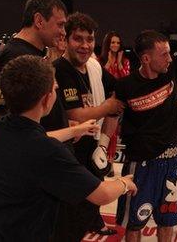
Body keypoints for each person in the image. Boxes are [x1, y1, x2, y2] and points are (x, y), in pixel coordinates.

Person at [0, 55, 137, 242]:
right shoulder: (47, 151)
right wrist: (124, 183)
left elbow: (36, 139)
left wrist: (73, 130)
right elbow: (102, 194)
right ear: (46, 100)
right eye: (54, 90)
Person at [51, 12, 124, 241]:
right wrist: (109, 106)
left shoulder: (93, 67)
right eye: (78, 39)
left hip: (91, 145)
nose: (85, 45)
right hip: (67, 151)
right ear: (66, 40)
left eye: (89, 39)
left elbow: (118, 88)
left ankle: (93, 223)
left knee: (88, 207)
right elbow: (75, 114)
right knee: (69, 215)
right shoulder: (60, 69)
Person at [114, 27, 177, 242]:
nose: (169, 58)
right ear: (146, 58)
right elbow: (112, 115)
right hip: (141, 164)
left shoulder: (171, 71)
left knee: (168, 220)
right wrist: (103, 144)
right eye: (164, 54)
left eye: (169, 53)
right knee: (134, 222)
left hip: (171, 161)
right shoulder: (126, 86)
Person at [0, 0, 85, 144]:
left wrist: (64, 125)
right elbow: (8, 125)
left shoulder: (33, 53)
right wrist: (66, 131)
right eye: (60, 25)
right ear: (39, 20)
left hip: (46, 152)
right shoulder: (15, 57)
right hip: (38, 159)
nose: (63, 32)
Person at [98, 31, 131, 174]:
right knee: (102, 131)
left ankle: (109, 163)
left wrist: (118, 64)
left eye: (118, 42)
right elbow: (100, 78)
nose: (115, 45)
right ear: (108, 44)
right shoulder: (100, 59)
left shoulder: (125, 61)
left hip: (118, 101)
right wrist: (109, 64)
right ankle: (101, 160)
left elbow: (126, 80)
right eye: (113, 42)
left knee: (113, 133)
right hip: (103, 100)